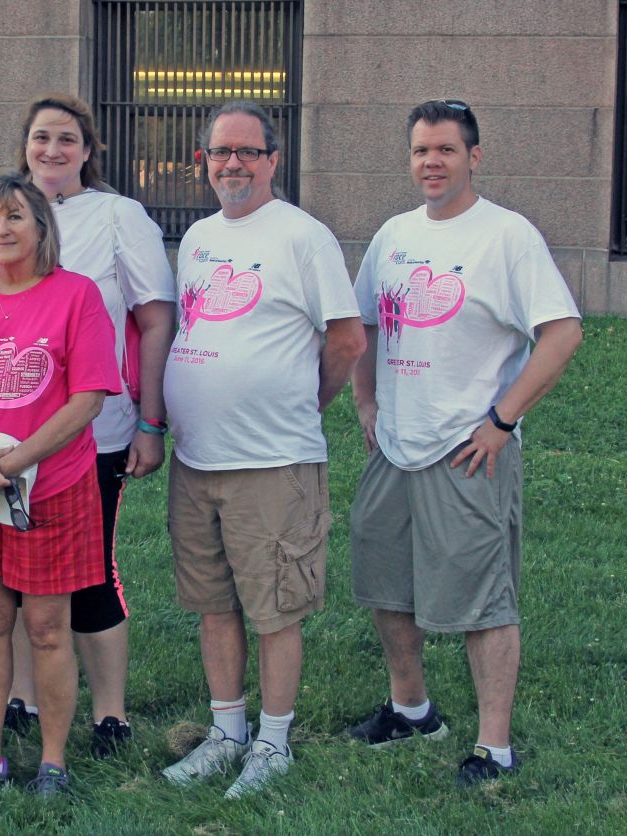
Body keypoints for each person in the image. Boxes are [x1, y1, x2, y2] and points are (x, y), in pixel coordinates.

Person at [347, 99, 582, 786]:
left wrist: (502, 420)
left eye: (445, 150)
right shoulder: (393, 235)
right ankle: (412, 709)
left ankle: (494, 748)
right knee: (385, 585)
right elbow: (365, 324)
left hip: (466, 448)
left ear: (473, 157)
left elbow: (562, 333)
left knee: (483, 600)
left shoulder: (506, 237)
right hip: (395, 446)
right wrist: (366, 400)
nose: (431, 162)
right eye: (421, 150)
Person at [0, 93, 175, 756]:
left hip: (91, 436)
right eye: (42, 138)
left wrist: (151, 421)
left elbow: (155, 317)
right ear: (24, 145)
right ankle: (21, 696)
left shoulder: (117, 216)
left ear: (88, 150)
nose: (53, 150)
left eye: (68, 140)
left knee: (88, 572)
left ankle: (109, 712)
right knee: (12, 577)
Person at [161, 101, 366, 799]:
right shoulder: (197, 238)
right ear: (204, 161)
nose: (234, 164)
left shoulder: (303, 237)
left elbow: (347, 339)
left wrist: (304, 405)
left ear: (274, 160)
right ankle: (226, 735)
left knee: (276, 607)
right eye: (222, 152)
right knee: (214, 604)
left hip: (273, 462)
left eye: (249, 151)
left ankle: (273, 743)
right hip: (198, 462)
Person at [0, 174, 121, 795]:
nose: (0, 231)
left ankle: (52, 762)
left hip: (50, 487)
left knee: (46, 626)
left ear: (41, 228)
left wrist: (15, 462)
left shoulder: (75, 295)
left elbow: (88, 398)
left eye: (13, 218)